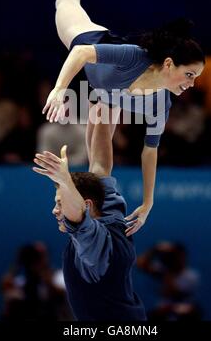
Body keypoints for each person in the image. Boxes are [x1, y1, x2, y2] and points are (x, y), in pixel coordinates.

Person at [18, 0, 205, 234]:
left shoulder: (160, 104)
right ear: (169, 64)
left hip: (105, 94)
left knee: (101, 169)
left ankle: (91, 208)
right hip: (90, 45)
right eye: (190, 74)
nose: (192, 84)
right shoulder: (135, 56)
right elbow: (80, 54)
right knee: (66, 0)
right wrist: (58, 89)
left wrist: (148, 203)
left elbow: (149, 152)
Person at [32, 105, 147, 321]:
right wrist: (108, 99)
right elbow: (101, 163)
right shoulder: (107, 211)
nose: (56, 211)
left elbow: (77, 213)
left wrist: (65, 180)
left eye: (60, 203)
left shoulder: (93, 242)